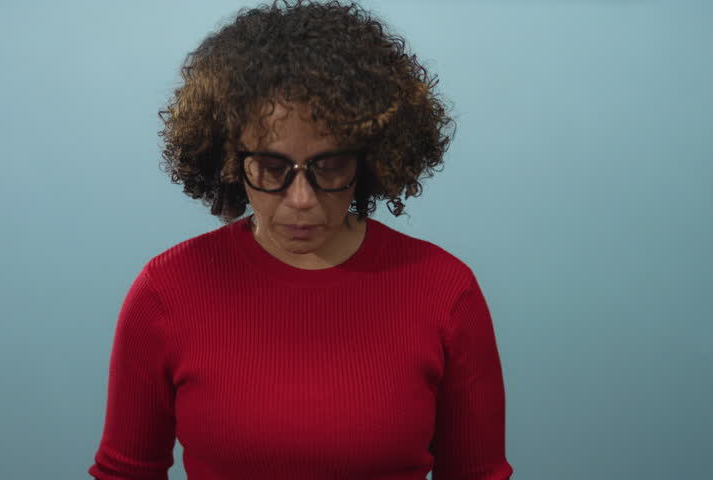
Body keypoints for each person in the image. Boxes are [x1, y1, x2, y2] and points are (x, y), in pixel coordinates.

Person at [88, 1, 513, 479]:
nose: (301, 199)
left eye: (329, 166)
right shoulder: (166, 293)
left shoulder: (445, 292)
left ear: (369, 158)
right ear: (230, 158)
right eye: (272, 168)